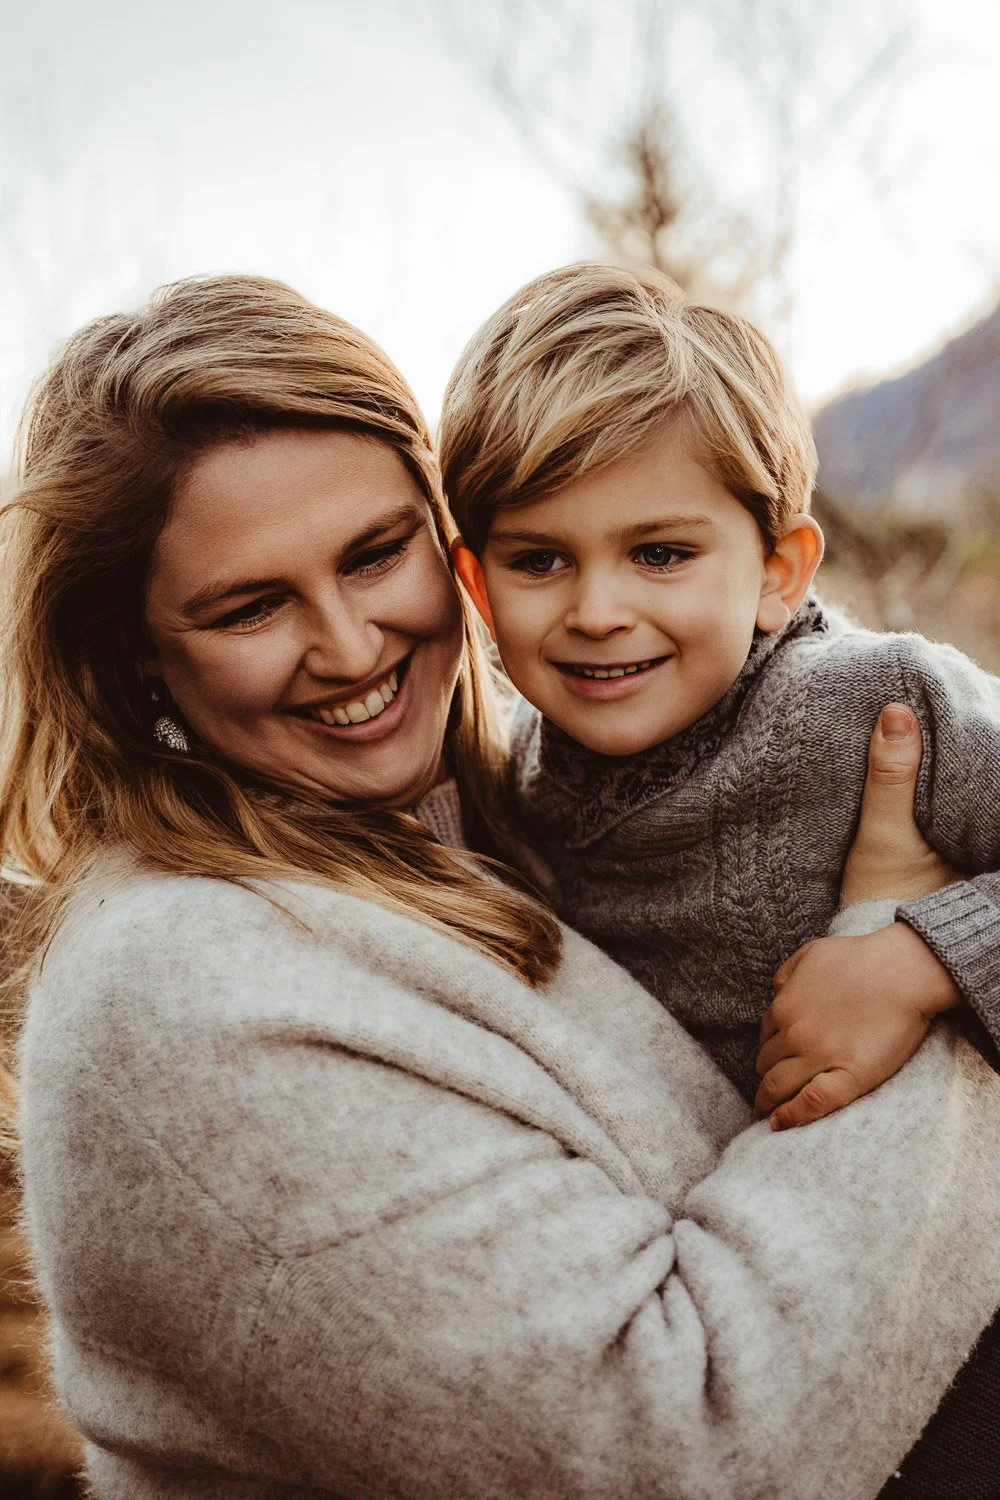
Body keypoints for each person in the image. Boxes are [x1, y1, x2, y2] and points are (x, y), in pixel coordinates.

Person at [5, 275, 1000, 1500]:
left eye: (375, 555)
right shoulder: (181, 996)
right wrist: (893, 942)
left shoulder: (488, 820)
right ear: (130, 656)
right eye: (250, 605)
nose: (353, 646)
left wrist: (932, 943)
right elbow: (681, 1447)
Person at [443, 261, 1000, 1127]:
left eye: (660, 554)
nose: (597, 614)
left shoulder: (873, 707)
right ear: (478, 588)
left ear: (779, 572)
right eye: (540, 560)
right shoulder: (519, 773)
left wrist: (916, 962)